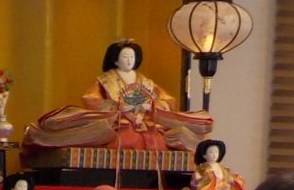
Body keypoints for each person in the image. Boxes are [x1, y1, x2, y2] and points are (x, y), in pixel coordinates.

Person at [21, 39, 213, 155]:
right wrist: (118, 108)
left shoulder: (145, 81)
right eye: (124, 57)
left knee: (157, 141)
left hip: (145, 122)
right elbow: (91, 99)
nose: (129, 60)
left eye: (132, 57)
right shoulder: (106, 80)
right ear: (115, 59)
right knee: (122, 139)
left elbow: (166, 99)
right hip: (119, 121)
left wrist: (152, 106)